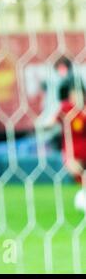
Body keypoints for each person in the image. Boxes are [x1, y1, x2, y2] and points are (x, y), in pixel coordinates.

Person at [51, 81, 86, 212]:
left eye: (79, 93)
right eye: (74, 93)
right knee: (77, 172)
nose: (77, 96)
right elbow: (52, 121)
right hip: (72, 151)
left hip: (84, 149)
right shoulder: (65, 108)